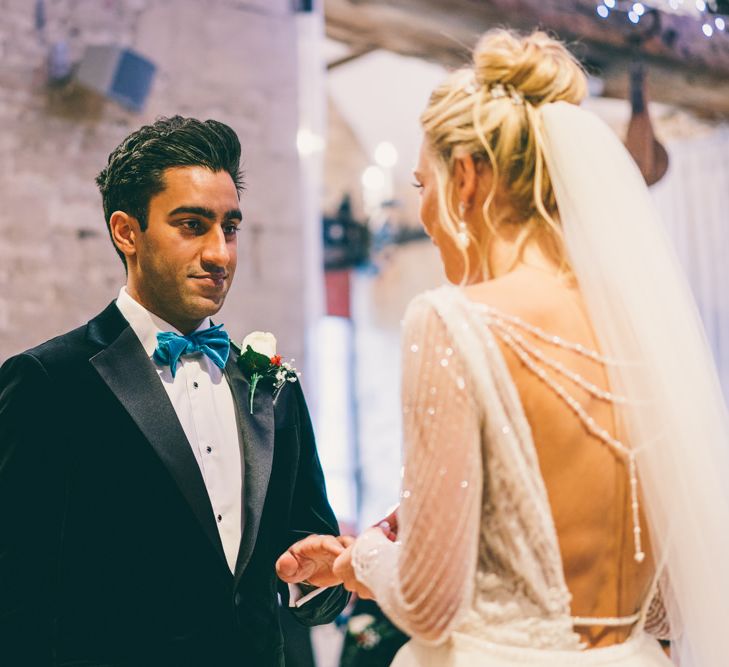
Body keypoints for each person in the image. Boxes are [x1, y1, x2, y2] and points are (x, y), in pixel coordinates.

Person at [332, 30, 729, 666]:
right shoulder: (636, 329)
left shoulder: (453, 324)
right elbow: (664, 604)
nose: (426, 218)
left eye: (421, 184)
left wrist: (368, 555)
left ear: (465, 177)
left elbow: (430, 602)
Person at [0, 116, 348, 666]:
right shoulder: (49, 383)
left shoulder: (272, 385)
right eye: (192, 225)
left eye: (229, 229)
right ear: (126, 231)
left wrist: (320, 580)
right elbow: (15, 597)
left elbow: (305, 556)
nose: (220, 254)